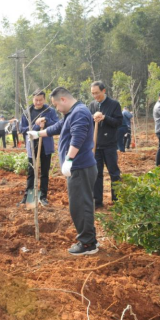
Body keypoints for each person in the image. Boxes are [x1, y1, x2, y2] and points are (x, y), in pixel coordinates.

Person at [29, 87, 98, 255]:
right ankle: (89, 240)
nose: (56, 109)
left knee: (80, 205)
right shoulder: (72, 113)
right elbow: (59, 127)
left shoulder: (79, 113)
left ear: (63, 100)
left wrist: (69, 160)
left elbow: (78, 137)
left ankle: (88, 244)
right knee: (80, 204)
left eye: (56, 105)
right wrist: (40, 134)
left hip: (80, 167)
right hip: (79, 167)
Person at [19, 90, 59, 206]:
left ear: (44, 99)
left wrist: (46, 122)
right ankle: (29, 197)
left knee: (45, 172)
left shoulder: (50, 111)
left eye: (40, 100)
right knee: (32, 171)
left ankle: (43, 196)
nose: (38, 102)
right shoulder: (27, 112)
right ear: (33, 99)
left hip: (45, 145)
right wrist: (36, 125)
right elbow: (22, 129)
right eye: (36, 100)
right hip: (32, 145)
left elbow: (57, 125)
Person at [89, 81, 123, 208]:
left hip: (109, 145)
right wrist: (93, 118)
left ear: (104, 91)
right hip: (96, 145)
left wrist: (104, 117)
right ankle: (97, 201)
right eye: (93, 93)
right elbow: (89, 123)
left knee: (114, 172)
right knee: (96, 173)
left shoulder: (114, 104)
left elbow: (119, 122)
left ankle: (117, 200)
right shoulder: (92, 105)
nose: (95, 96)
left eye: (97, 93)